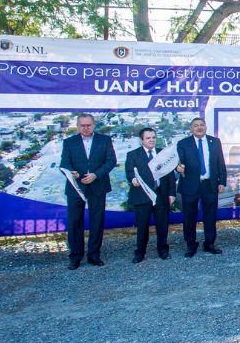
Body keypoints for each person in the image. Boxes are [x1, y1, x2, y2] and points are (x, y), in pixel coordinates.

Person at [59, 113, 117, 269]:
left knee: (97, 221)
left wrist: (96, 175)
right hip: (75, 187)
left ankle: (94, 255)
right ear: (77, 126)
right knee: (74, 222)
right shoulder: (69, 142)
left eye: (88, 125)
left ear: (94, 125)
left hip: (97, 185)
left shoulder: (104, 140)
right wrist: (72, 172)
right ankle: (75, 257)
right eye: (82, 125)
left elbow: (111, 161)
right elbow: (64, 163)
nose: (85, 128)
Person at [176, 117, 227, 257]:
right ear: (191, 129)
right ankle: (191, 245)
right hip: (190, 185)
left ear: (205, 127)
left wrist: (222, 182)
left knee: (210, 215)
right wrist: (178, 168)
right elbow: (178, 163)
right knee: (189, 217)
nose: (199, 127)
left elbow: (220, 163)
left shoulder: (215, 142)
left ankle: (209, 243)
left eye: (202, 125)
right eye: (196, 125)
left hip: (209, 184)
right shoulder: (183, 143)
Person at [125, 128, 176, 263]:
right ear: (141, 140)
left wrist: (172, 193)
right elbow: (129, 172)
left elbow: (170, 175)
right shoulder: (133, 155)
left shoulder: (162, 153)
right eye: (148, 138)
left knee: (163, 225)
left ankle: (163, 251)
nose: (151, 140)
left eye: (153, 137)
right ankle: (140, 253)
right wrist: (132, 180)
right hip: (142, 196)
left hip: (161, 195)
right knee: (142, 226)